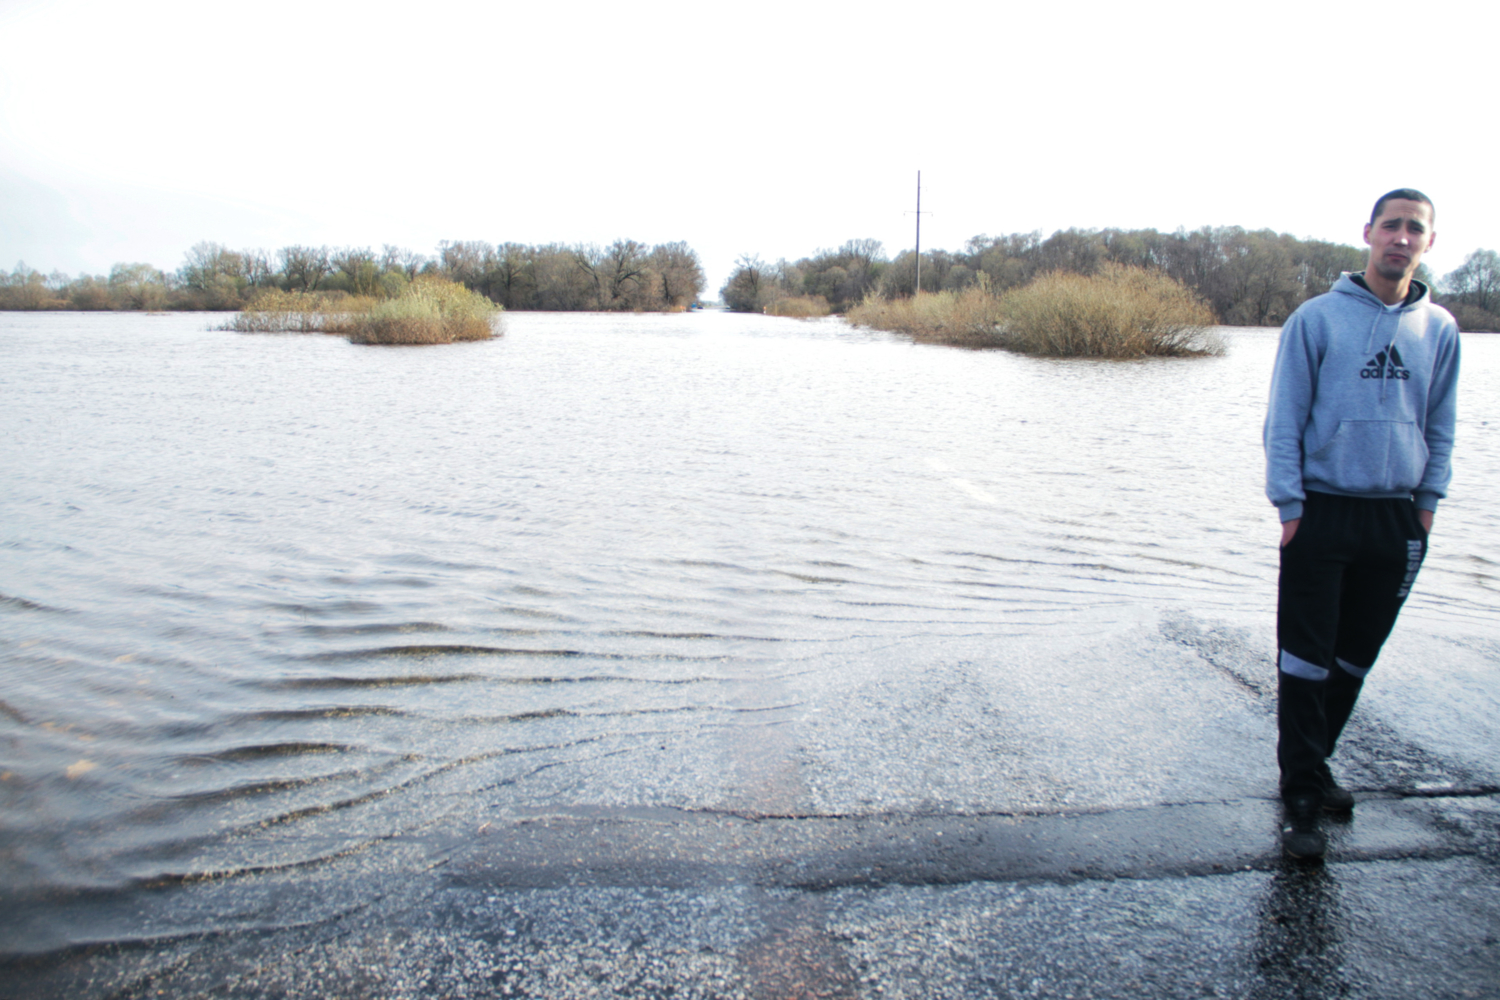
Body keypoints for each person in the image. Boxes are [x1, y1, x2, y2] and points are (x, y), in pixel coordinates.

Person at [1263, 188, 1461, 859]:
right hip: (1323, 508)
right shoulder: (1316, 321)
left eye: (1415, 229)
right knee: (1305, 657)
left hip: (1397, 519)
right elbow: (1284, 418)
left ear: (1428, 243)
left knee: (1354, 658)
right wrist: (1290, 507)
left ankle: (1315, 766)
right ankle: (1299, 796)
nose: (1401, 238)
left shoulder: (1440, 329)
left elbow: (1441, 422)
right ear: (1368, 233)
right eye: (1391, 226)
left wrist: (1427, 505)